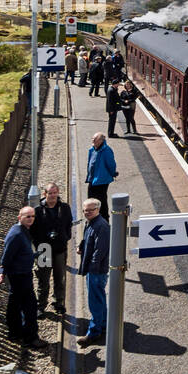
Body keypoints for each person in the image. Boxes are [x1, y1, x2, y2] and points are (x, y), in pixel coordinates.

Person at [0, 206, 44, 347]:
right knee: (30, 307)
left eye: (33, 216)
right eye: (27, 216)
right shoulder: (16, 234)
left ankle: (14, 333)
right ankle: (31, 338)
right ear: (19, 217)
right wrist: (2, 271)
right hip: (20, 276)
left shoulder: (23, 231)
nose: (31, 219)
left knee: (14, 305)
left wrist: (35, 255)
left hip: (22, 273)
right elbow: (7, 255)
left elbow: (21, 253)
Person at [31, 182, 73, 315]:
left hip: (60, 249)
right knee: (43, 279)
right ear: (45, 194)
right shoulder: (38, 210)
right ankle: (41, 305)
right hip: (44, 250)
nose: (53, 196)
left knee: (59, 278)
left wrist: (65, 237)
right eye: (50, 193)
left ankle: (58, 303)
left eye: (55, 193)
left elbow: (68, 224)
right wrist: (39, 245)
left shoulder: (65, 208)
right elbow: (33, 231)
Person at [77, 198, 110, 348]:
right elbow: (87, 239)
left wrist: (92, 267)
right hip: (94, 269)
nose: (88, 213)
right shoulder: (91, 222)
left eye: (91, 210)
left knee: (95, 301)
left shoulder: (101, 226)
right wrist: (81, 246)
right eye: (85, 210)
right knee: (99, 298)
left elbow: (100, 250)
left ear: (98, 209)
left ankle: (94, 332)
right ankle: (103, 324)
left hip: (96, 270)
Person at [86, 132, 118, 220]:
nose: (93, 140)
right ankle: (92, 218)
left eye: (95, 139)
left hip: (102, 180)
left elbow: (111, 164)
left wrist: (113, 173)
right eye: (92, 138)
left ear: (101, 141)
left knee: (101, 202)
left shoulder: (107, 150)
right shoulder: (92, 149)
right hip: (92, 180)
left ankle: (104, 220)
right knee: (91, 200)